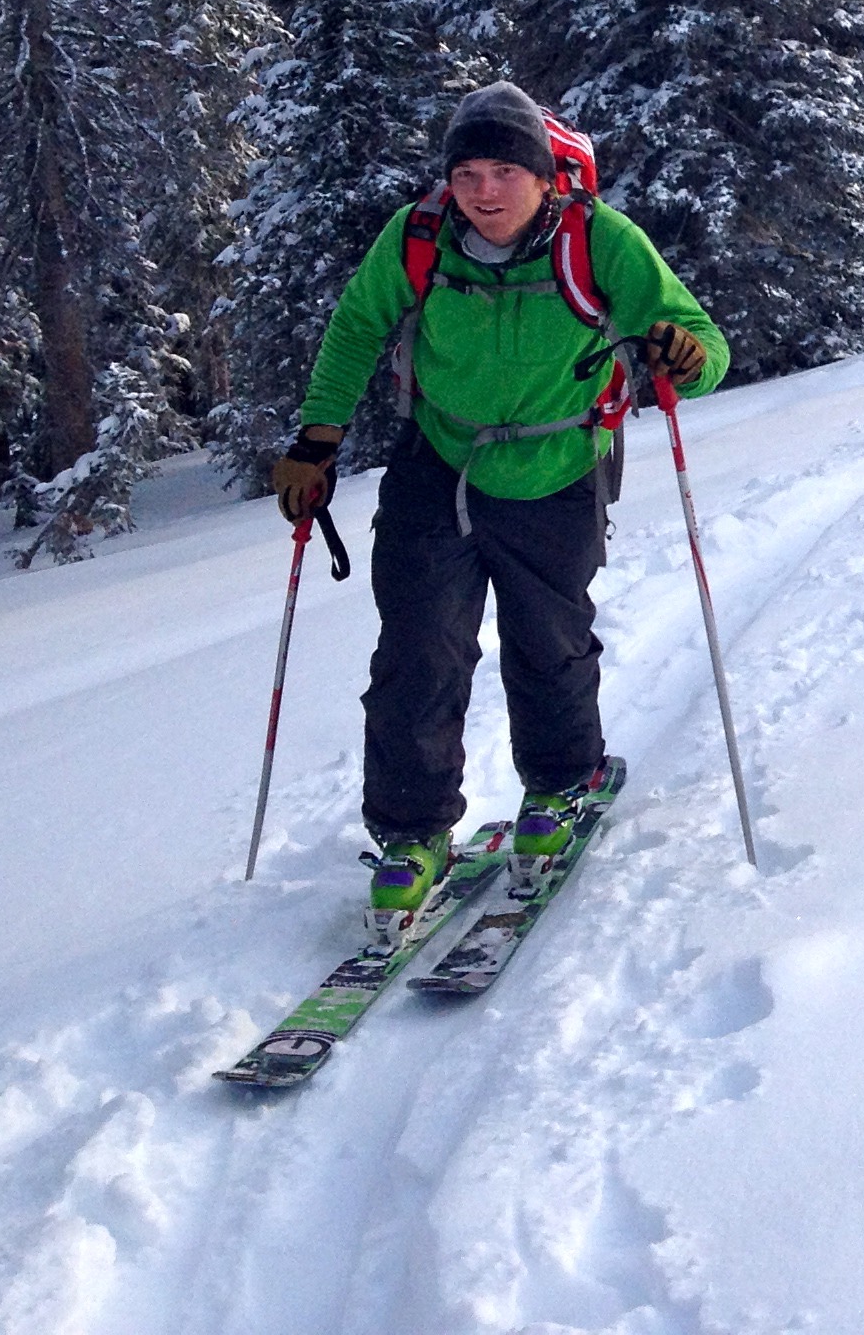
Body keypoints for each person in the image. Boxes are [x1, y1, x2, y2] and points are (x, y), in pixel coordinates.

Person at [271, 79, 730, 934]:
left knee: (548, 639)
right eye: (467, 174)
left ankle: (560, 784)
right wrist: (316, 441)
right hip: (437, 460)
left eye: (504, 173)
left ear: (545, 179)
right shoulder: (418, 237)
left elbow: (706, 347)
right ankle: (412, 834)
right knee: (417, 648)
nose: (483, 192)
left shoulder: (601, 241)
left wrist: (685, 357)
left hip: (557, 468)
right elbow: (357, 326)